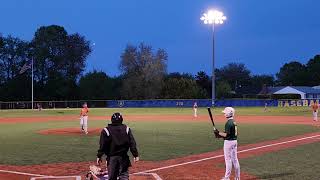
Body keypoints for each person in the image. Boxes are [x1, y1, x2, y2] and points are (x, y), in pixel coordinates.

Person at [96, 113, 139, 180]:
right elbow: (132, 143)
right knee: (124, 177)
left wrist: (99, 155)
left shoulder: (106, 130)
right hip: (124, 158)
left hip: (112, 159)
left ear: (111, 120)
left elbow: (102, 145)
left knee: (112, 177)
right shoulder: (126, 129)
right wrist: (135, 155)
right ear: (122, 120)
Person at [214, 107, 240, 180]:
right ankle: (237, 178)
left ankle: (227, 177)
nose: (224, 114)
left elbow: (226, 135)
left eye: (225, 113)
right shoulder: (234, 122)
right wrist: (219, 134)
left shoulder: (228, 123)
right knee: (235, 160)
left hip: (228, 143)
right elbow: (230, 134)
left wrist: (218, 133)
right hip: (234, 141)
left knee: (228, 160)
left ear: (228, 113)